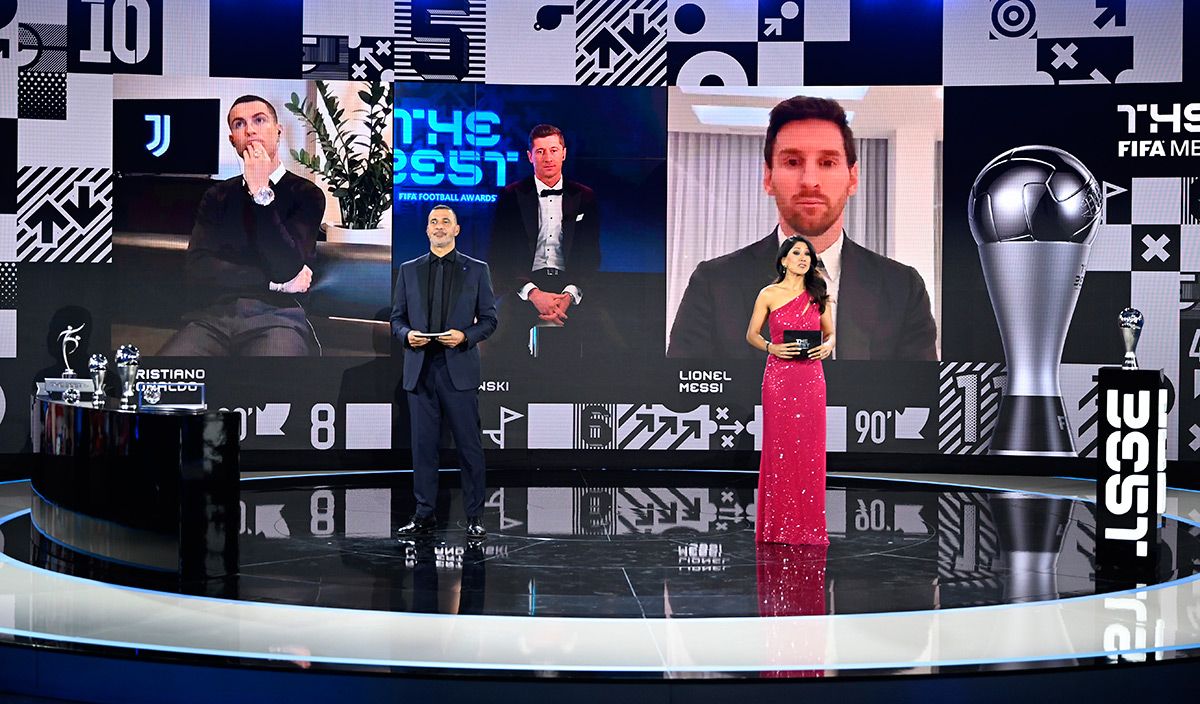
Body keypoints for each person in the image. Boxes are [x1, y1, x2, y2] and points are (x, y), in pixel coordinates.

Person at [669, 95, 936, 361]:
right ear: (768, 177)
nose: (810, 181)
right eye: (793, 162)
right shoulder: (712, 284)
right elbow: (681, 396)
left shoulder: (904, 289)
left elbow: (920, 397)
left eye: (827, 163)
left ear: (852, 179)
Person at [159, 95, 323, 356]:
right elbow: (197, 269)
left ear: (277, 131)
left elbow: (287, 267)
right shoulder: (217, 196)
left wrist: (260, 191)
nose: (249, 130)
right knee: (165, 378)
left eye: (259, 120)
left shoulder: (306, 194)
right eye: (239, 124)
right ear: (232, 140)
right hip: (212, 318)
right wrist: (274, 283)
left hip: (278, 318)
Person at [392, 205, 498, 539]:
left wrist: (466, 336)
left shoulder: (477, 270)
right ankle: (424, 514)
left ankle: (474, 517)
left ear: (456, 230)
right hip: (421, 369)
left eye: (445, 222)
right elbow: (397, 319)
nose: (439, 227)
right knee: (423, 448)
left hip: (459, 370)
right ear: (426, 231)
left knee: (469, 447)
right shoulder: (408, 271)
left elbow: (490, 320)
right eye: (433, 222)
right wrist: (406, 335)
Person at [745, 235, 834, 545]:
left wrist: (828, 347)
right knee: (779, 449)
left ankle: (808, 528)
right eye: (796, 253)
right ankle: (776, 527)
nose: (802, 258)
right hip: (779, 378)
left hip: (811, 378)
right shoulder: (768, 294)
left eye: (807, 254)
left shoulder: (817, 293)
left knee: (809, 451)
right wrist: (772, 347)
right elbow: (752, 334)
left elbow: (831, 333)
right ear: (783, 260)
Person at [486, 124, 600, 354]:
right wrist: (533, 293)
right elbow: (499, 255)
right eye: (540, 151)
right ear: (530, 156)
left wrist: (569, 295)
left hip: (570, 286)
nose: (548, 157)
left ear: (564, 153)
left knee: (606, 338)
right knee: (496, 337)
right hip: (522, 286)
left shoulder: (584, 197)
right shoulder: (511, 196)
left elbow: (590, 255)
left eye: (554, 150)